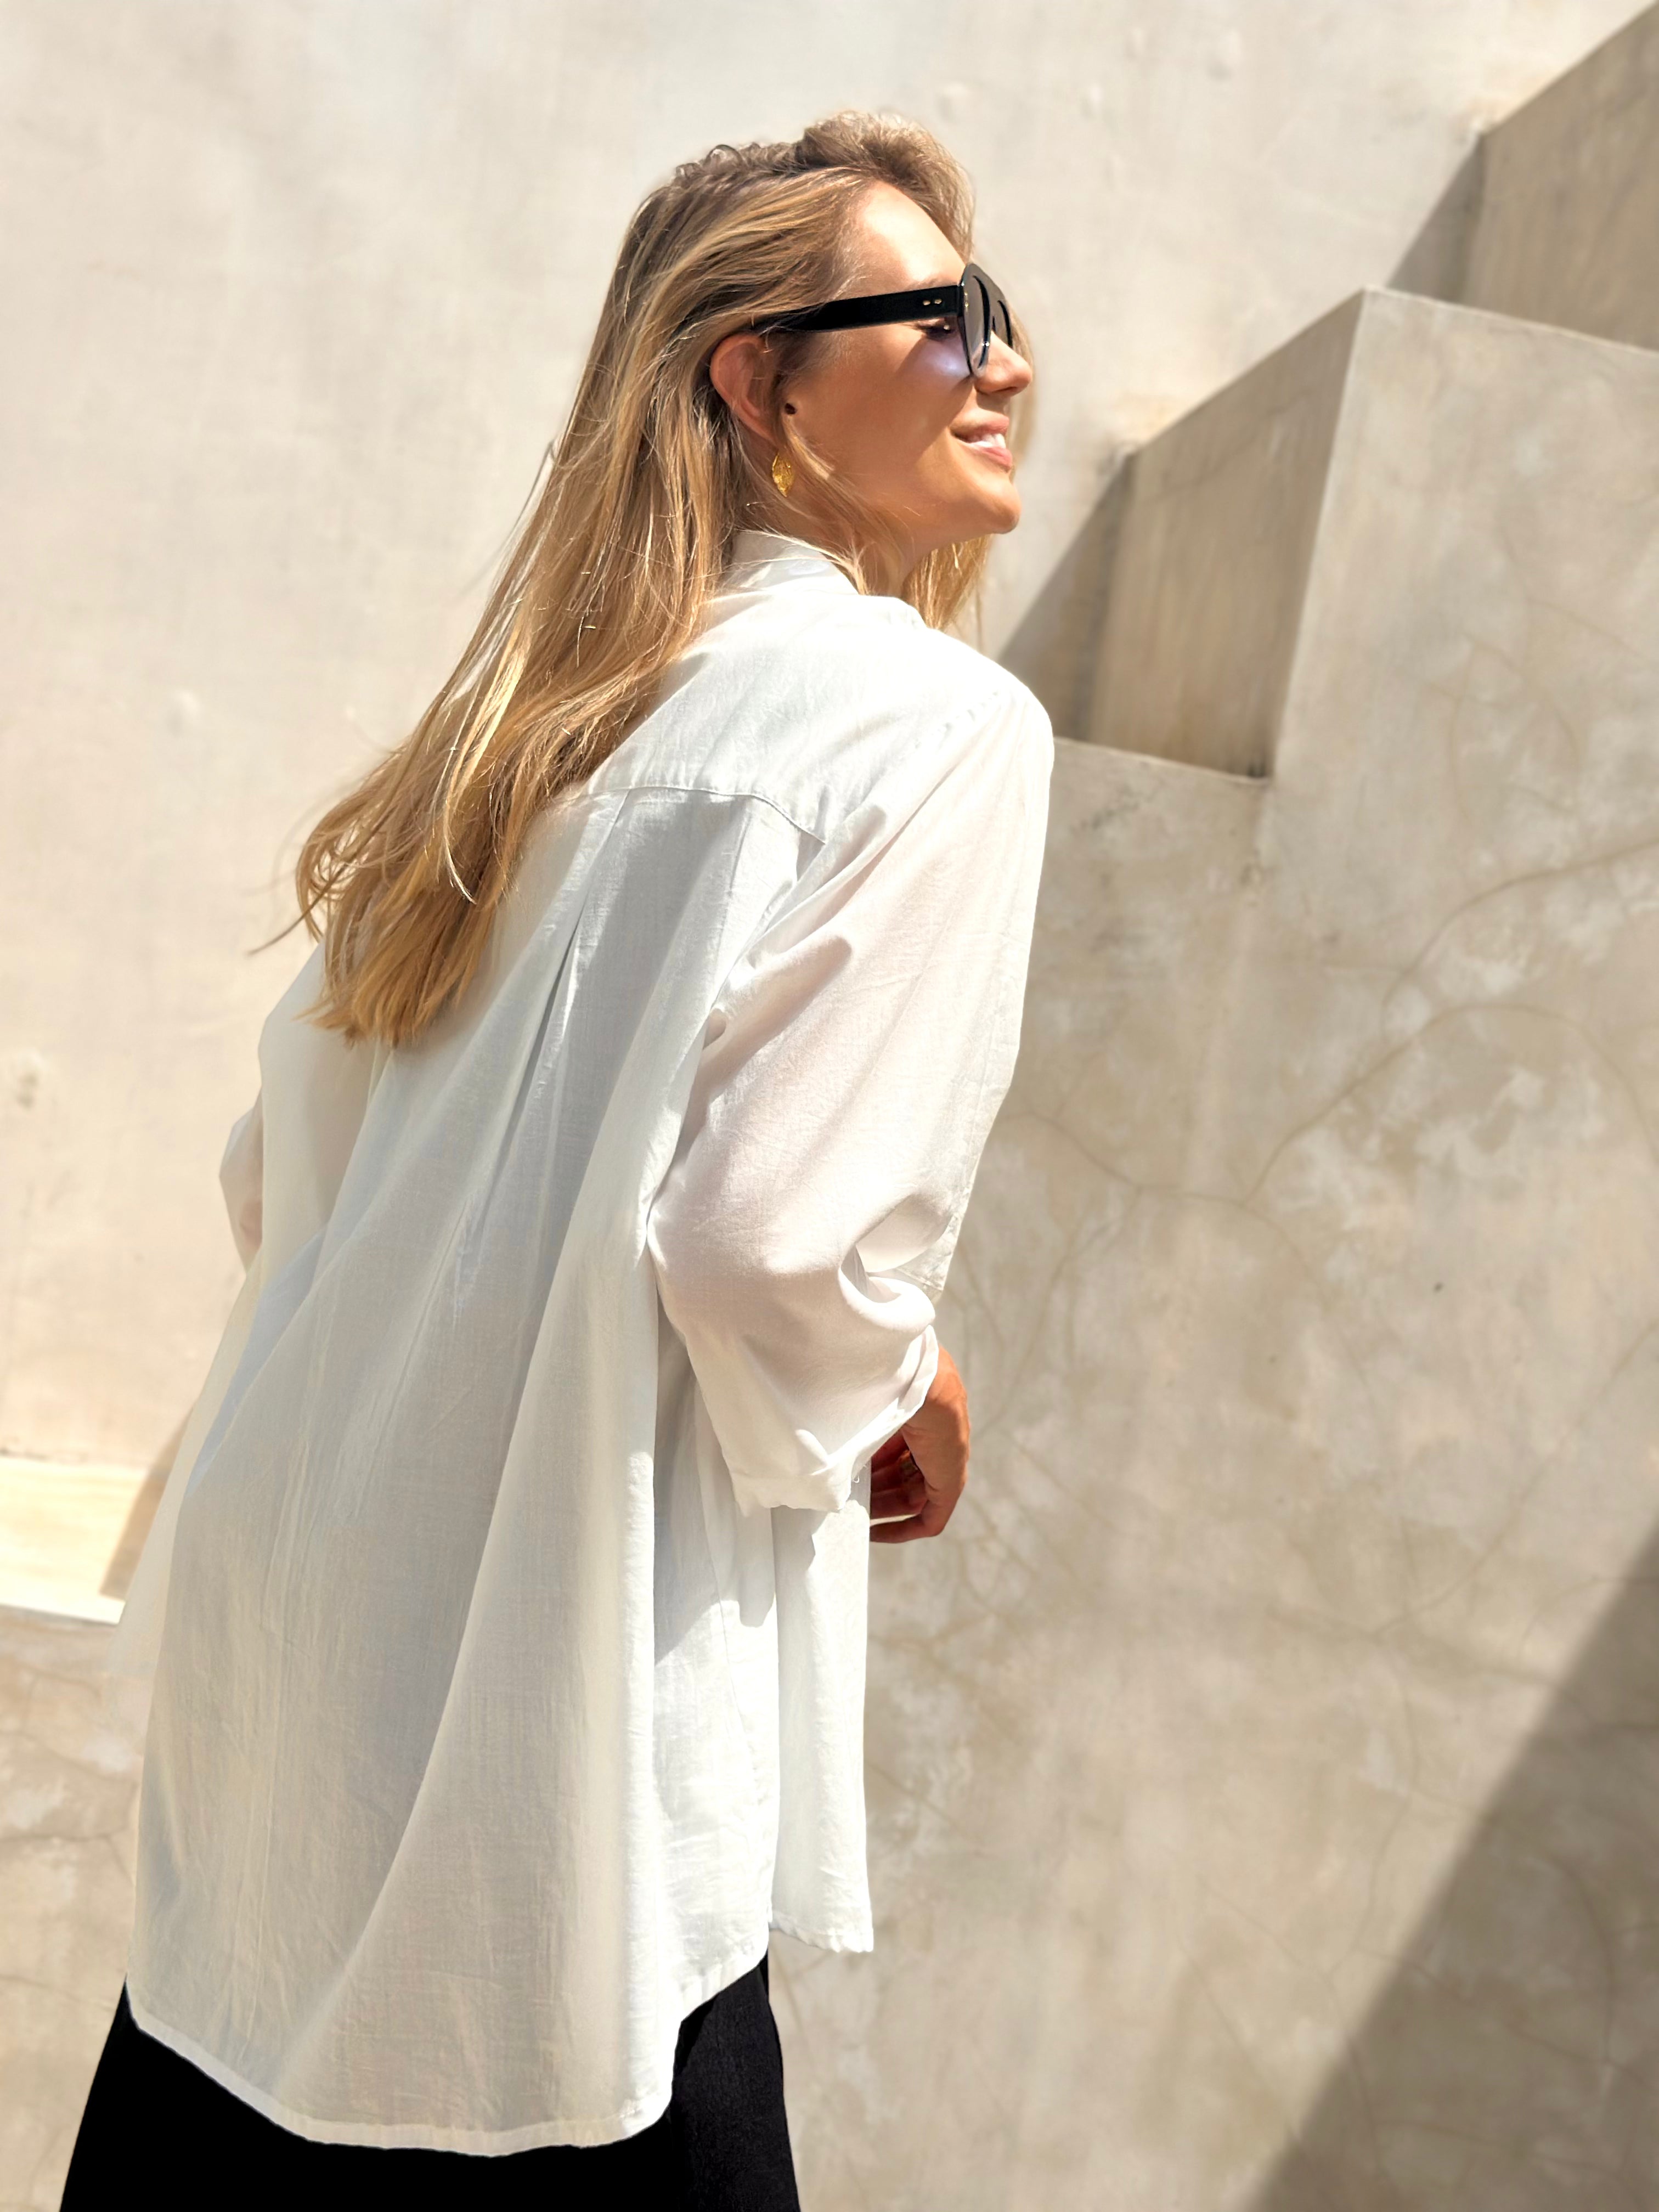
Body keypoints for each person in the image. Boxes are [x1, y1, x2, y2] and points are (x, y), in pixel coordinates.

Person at [63, 109, 1051, 2208]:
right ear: (759, 384)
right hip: (559, 1702)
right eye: (947, 314)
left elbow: (275, 1183)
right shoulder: (931, 725)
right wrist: (913, 1386)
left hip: (286, 1680)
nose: (1010, 360)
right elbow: (772, 1244)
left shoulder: (522, 735)